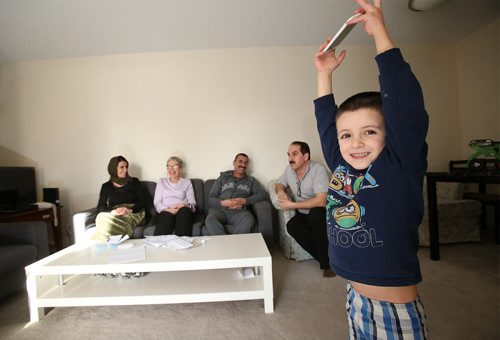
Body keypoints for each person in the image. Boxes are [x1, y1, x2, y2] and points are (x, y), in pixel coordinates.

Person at [314, 0, 428, 338]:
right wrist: (324, 74)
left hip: (391, 309)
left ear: (390, 135)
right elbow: (325, 123)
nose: (355, 143)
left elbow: (405, 101)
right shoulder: (341, 166)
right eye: (347, 135)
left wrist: (378, 31)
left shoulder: (399, 163)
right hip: (354, 295)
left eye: (370, 132)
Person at [275, 141, 334, 278]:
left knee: (315, 214)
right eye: (289, 154)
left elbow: (321, 201)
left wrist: (292, 205)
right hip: (302, 212)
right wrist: (280, 192)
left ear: (306, 156)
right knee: (292, 226)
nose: (290, 158)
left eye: (295, 154)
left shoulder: (318, 169)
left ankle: (327, 266)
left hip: (320, 211)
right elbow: (279, 183)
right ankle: (327, 259)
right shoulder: (289, 170)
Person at [205, 153, 267, 235]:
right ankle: (227, 245)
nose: (243, 165)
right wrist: (223, 203)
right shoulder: (223, 178)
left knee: (249, 219)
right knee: (210, 219)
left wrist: (246, 201)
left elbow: (263, 194)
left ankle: (234, 244)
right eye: (240, 161)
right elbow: (211, 197)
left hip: (239, 212)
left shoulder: (251, 181)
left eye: (246, 162)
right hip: (220, 211)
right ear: (234, 163)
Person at [93, 155, 146, 242]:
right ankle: (106, 245)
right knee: (100, 216)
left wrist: (129, 210)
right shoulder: (106, 186)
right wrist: (113, 212)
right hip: (116, 213)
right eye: (122, 167)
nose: (125, 170)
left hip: (134, 212)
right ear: (113, 169)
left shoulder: (134, 181)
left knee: (115, 222)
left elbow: (143, 200)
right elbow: (101, 207)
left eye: (126, 167)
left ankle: (111, 242)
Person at [153, 156, 196, 236]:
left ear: (180, 168)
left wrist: (184, 205)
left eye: (174, 166)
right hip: (166, 210)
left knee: (184, 212)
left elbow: (192, 203)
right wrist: (169, 210)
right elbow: (157, 202)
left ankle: (182, 243)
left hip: (182, 210)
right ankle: (159, 244)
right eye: (169, 166)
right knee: (166, 217)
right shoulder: (161, 182)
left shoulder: (187, 182)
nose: (171, 169)